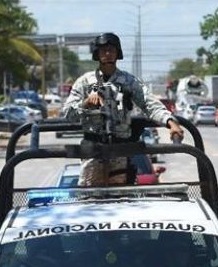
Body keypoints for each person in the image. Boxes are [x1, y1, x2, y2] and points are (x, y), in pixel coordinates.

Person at [63, 32, 184, 186]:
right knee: (89, 198)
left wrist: (170, 122)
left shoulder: (129, 81)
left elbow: (150, 104)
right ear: (97, 53)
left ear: (117, 53)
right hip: (93, 151)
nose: (107, 54)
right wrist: (85, 103)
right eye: (103, 50)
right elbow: (68, 114)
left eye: (111, 50)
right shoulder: (84, 82)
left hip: (121, 151)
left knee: (121, 198)